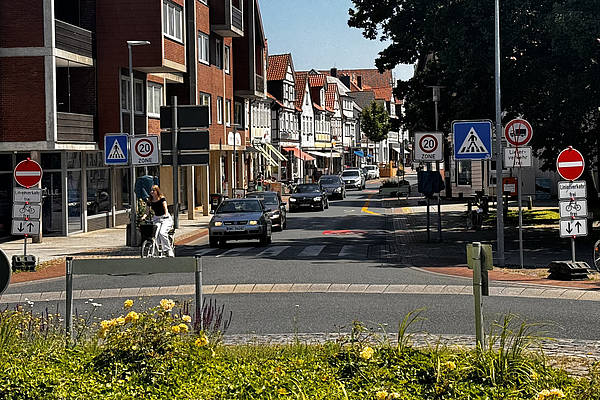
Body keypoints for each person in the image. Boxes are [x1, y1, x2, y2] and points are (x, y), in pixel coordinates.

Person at [147, 185, 175, 257]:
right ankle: (155, 250)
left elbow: (165, 208)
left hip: (165, 218)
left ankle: (168, 250)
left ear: (157, 191)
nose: (152, 192)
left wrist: (166, 214)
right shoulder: (150, 200)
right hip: (156, 218)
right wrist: (144, 217)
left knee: (162, 233)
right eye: (151, 190)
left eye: (153, 190)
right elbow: (147, 212)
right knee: (155, 234)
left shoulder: (162, 199)